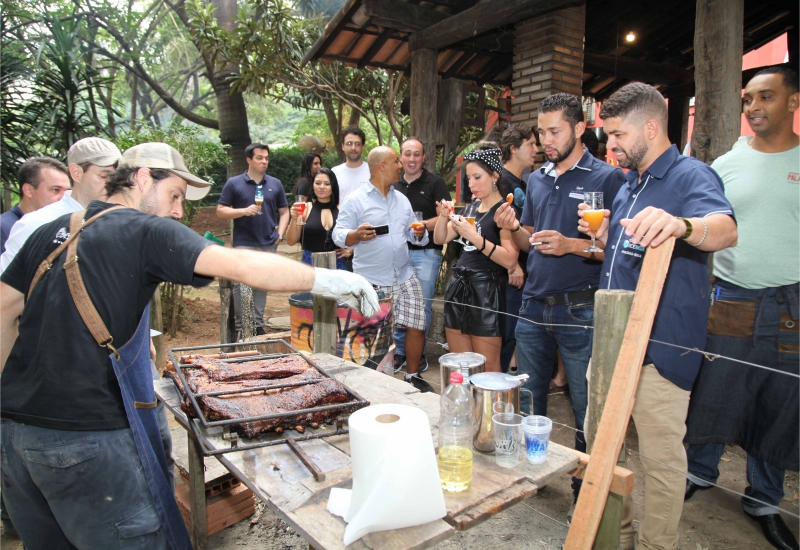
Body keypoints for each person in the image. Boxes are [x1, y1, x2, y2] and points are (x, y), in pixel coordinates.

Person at [0, 142, 378, 549]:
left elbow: (4, 311)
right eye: (175, 195)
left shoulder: (51, 231)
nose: (179, 210)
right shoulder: (143, 228)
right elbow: (242, 264)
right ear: (143, 178)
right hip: (85, 440)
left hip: (13, 437)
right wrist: (330, 281)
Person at [577, 82, 737, 550]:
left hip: (661, 351)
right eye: (607, 136)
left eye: (618, 135)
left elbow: (725, 230)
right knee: (602, 446)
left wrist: (683, 225)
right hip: (612, 345)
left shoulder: (692, 177)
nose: (611, 146)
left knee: (662, 463)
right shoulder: (632, 183)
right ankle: (618, 537)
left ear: (651, 126)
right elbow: (628, 254)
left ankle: (655, 546)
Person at [684, 66, 799, 550]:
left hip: (791, 304)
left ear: (793, 102)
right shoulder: (727, 163)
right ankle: (700, 472)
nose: (753, 107)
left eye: (765, 97)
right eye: (748, 99)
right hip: (730, 296)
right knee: (716, 390)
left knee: (780, 403)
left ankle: (765, 500)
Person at [494, 93, 625, 475]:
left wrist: (571, 245)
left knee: (587, 406)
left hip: (580, 309)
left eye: (555, 131)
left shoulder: (608, 177)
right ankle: (530, 473)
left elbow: (617, 251)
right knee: (529, 399)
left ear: (580, 128)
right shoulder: (536, 179)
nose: (545, 140)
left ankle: (586, 487)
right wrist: (514, 227)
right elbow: (527, 242)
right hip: (533, 305)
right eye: (541, 132)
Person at [332, 146, 433, 392]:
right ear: (382, 166)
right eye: (396, 160)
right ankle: (376, 383)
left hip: (405, 274)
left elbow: (414, 235)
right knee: (376, 335)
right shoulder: (356, 200)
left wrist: (418, 233)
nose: (401, 165)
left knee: (417, 325)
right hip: (372, 279)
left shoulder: (403, 200)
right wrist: (355, 235)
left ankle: (412, 376)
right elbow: (337, 234)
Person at [434, 147, 519, 372]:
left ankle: (490, 408)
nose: (471, 183)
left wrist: (475, 238)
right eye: (469, 178)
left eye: (477, 177)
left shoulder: (504, 211)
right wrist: (444, 218)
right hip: (458, 285)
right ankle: (464, 407)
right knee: (460, 364)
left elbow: (510, 260)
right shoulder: (471, 208)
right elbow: (441, 237)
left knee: (488, 366)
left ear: (494, 176)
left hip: (486, 290)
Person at [2, 137, 120, 273]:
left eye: (116, 178)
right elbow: (5, 288)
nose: (112, 184)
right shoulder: (36, 224)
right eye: (104, 176)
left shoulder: (120, 220)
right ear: (76, 173)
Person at [217, 143, 290, 338]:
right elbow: (220, 211)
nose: (264, 161)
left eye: (266, 158)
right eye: (259, 157)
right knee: (242, 286)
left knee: (261, 284)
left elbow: (284, 211)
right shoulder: (234, 183)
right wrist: (242, 211)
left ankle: (257, 326)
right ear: (249, 159)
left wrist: (280, 234)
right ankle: (243, 327)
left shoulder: (275, 184)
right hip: (244, 244)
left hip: (268, 243)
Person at [392, 137, 451, 374]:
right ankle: (398, 352)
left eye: (417, 154)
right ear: (401, 157)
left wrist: (422, 224)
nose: (412, 159)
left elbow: (445, 216)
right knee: (397, 305)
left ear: (423, 157)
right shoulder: (393, 184)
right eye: (408, 154)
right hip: (398, 255)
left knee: (421, 306)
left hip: (426, 254)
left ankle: (419, 353)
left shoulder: (435, 183)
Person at [497, 124, 538, 373]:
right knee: (504, 333)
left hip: (521, 267)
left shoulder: (521, 181)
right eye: (531, 144)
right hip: (507, 271)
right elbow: (499, 226)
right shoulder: (501, 181)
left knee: (512, 332)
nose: (537, 149)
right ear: (514, 148)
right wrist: (513, 265)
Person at [286, 167, 350, 270]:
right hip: (310, 265)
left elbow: (357, 235)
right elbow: (291, 241)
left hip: (337, 266)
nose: (322, 187)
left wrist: (350, 251)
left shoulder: (342, 209)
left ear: (333, 186)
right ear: (313, 185)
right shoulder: (305, 208)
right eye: (318, 183)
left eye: (327, 184)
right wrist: (294, 218)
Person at [1, 158, 70, 253]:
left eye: (67, 192)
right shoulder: (4, 228)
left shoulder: (66, 227)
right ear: (28, 190)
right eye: (55, 190)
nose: (63, 197)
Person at [332, 126, 371, 203]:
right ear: (343, 146)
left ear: (362, 147)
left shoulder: (372, 172)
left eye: (357, 144)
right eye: (349, 143)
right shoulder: (334, 173)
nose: (353, 148)